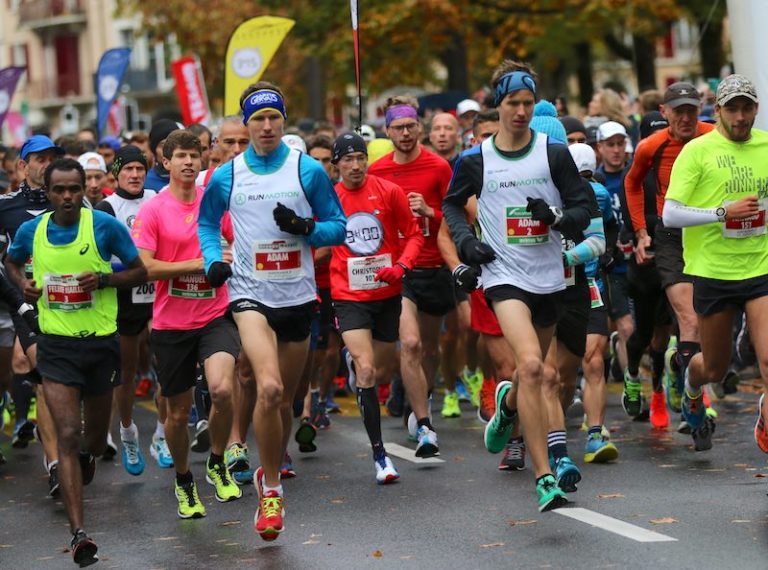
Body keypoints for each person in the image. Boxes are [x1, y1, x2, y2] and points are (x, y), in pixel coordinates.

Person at [197, 81, 346, 541]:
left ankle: (267, 470)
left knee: (282, 403)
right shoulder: (229, 174)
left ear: (283, 121)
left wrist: (306, 228)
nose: (265, 126)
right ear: (246, 123)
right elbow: (205, 222)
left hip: (297, 296)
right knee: (269, 386)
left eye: (273, 118)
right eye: (257, 119)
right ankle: (273, 490)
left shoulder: (307, 171)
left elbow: (338, 227)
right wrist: (212, 261)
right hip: (249, 294)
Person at [443, 60, 592, 511]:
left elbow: (583, 207)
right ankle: (545, 477)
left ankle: (507, 406)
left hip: (550, 278)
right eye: (513, 103)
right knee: (531, 367)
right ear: (498, 105)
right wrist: (467, 243)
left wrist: (558, 219)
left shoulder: (552, 153)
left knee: (533, 369)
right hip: (503, 276)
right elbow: (451, 207)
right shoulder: (476, 159)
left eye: (528, 103)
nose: (522, 111)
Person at [6, 158, 147, 567]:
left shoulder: (104, 227)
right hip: (56, 346)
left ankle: (86, 458)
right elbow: (11, 262)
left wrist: (104, 279)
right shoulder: (32, 231)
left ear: (84, 189)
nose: (67, 197)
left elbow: (140, 272)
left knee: (92, 441)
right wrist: (23, 286)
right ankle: (80, 535)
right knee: (67, 433)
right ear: (47, 194)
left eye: (74, 189)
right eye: (59, 191)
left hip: (102, 345)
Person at [132, 130, 243, 518]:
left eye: (194, 156)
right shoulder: (154, 210)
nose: (188, 162)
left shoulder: (214, 204)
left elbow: (237, 243)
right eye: (180, 156)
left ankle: (216, 460)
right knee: (177, 414)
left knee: (222, 390)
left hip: (215, 315)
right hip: (171, 323)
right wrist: (197, 264)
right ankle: (183, 479)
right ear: (165, 162)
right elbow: (145, 266)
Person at [663, 74, 768, 452]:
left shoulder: (766, 146)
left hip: (761, 269)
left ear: (756, 109)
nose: (741, 117)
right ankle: (691, 388)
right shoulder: (697, 151)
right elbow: (670, 215)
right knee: (714, 368)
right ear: (719, 111)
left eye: (747, 108)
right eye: (733, 109)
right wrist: (723, 212)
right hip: (714, 272)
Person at [330, 132, 423, 482]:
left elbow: (414, 234)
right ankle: (380, 456)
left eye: (360, 158)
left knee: (380, 372)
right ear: (336, 164)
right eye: (347, 160)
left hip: (386, 293)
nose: (355, 166)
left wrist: (401, 267)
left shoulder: (388, 191)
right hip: (348, 295)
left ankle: (353, 362)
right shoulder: (329, 198)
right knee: (367, 370)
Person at [624, 82, 716, 429]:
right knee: (688, 320)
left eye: (692, 109)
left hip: (709, 232)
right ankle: (696, 402)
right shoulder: (652, 146)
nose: (686, 117)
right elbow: (632, 184)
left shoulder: (714, 136)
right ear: (664, 113)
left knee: (708, 320)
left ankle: (688, 381)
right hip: (670, 236)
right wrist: (641, 232)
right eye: (679, 110)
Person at [368, 95, 452, 451]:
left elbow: (456, 215)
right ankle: (424, 424)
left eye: (410, 126)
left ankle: (422, 398)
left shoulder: (438, 167)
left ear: (420, 127)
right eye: (398, 128)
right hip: (400, 269)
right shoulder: (378, 171)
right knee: (412, 343)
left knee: (431, 349)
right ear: (387, 131)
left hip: (434, 266)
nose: (405, 133)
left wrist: (429, 211)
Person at [95, 145, 165, 474]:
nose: (135, 175)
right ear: (117, 174)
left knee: (166, 365)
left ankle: (162, 435)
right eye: (128, 170)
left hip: (160, 291)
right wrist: (137, 265)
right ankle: (127, 431)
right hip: (125, 296)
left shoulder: (157, 197)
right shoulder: (108, 207)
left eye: (140, 169)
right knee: (127, 370)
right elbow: (102, 257)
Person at [0, 134, 63, 496]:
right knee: (48, 379)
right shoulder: (5, 206)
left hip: (72, 308)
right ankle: (55, 464)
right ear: (23, 166)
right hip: (28, 309)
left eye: (52, 157)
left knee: (67, 387)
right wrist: (18, 294)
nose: (46, 164)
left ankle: (67, 446)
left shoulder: (74, 203)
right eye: (39, 158)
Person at [144, 120, 179, 191]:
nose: (169, 150)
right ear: (154, 150)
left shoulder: (192, 179)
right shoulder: (145, 183)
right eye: (163, 146)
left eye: (174, 145)